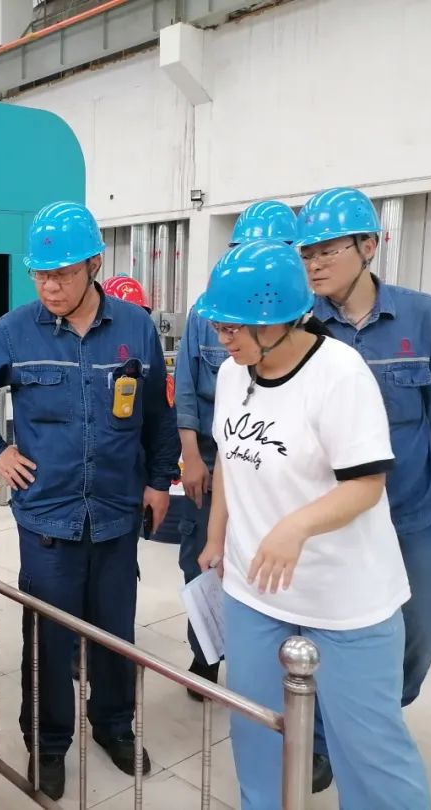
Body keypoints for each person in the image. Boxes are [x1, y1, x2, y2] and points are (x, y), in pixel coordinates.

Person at [0, 201, 180, 800]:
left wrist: (160, 480)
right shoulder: (15, 330)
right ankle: (48, 743)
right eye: (41, 275)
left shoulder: (135, 330)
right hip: (47, 517)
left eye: (63, 274)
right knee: (49, 640)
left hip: (116, 512)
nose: (50, 286)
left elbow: (157, 414)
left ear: (94, 266)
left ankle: (114, 726)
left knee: (114, 633)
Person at [195, 239, 431, 810]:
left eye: (233, 327)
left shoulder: (339, 374)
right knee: (256, 732)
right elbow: (230, 456)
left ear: (276, 320)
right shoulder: (232, 374)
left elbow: (366, 485)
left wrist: (296, 526)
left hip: (344, 595)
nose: (222, 338)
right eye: (219, 326)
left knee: (369, 749)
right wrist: (217, 535)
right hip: (254, 590)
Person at [296, 186, 431, 787]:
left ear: (368, 246)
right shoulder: (302, 326)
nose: (314, 264)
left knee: (422, 630)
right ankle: (321, 739)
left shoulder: (422, 317)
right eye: (307, 253)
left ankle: (374, 715)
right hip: (331, 514)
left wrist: (389, 470)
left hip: (407, 511)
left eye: (327, 250)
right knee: (321, 632)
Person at [173, 201, 298, 700]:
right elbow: (186, 385)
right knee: (203, 557)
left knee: (269, 570)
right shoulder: (210, 315)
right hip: (214, 458)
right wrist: (191, 455)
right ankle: (206, 650)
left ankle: (272, 668)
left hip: (279, 471)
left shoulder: (318, 345)